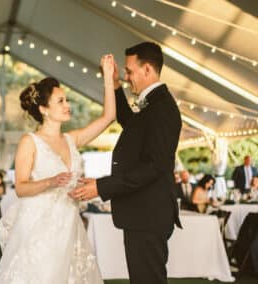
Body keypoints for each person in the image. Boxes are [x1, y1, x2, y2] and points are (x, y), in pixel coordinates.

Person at [0, 55, 117, 283]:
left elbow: (109, 116)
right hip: (38, 229)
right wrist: (50, 182)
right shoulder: (30, 142)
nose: (67, 105)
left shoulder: (72, 139)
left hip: (70, 226)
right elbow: (20, 187)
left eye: (66, 100)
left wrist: (108, 78)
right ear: (44, 109)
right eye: (60, 101)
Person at [69, 42, 182, 284]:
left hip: (149, 215)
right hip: (143, 214)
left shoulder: (162, 108)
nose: (128, 76)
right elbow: (130, 123)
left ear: (148, 70)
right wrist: (116, 84)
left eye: (129, 71)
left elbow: (154, 166)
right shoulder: (153, 104)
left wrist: (101, 187)